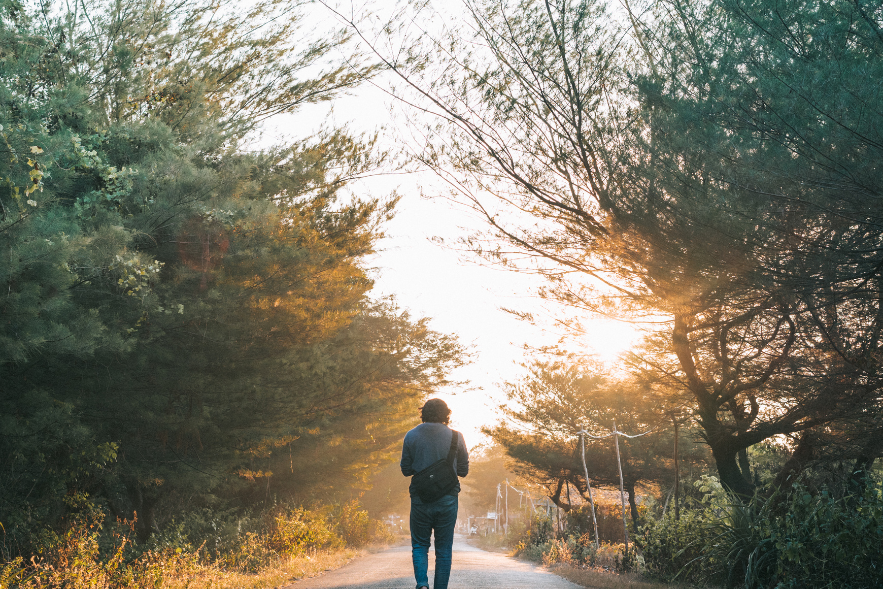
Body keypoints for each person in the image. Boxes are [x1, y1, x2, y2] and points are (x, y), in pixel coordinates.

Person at [400, 398, 469, 589]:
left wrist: (423, 467)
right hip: (447, 499)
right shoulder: (457, 437)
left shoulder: (411, 435)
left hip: (420, 498)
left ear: (423, 413)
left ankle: (422, 584)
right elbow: (463, 470)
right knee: (444, 549)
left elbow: (406, 469)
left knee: (420, 545)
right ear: (446, 414)